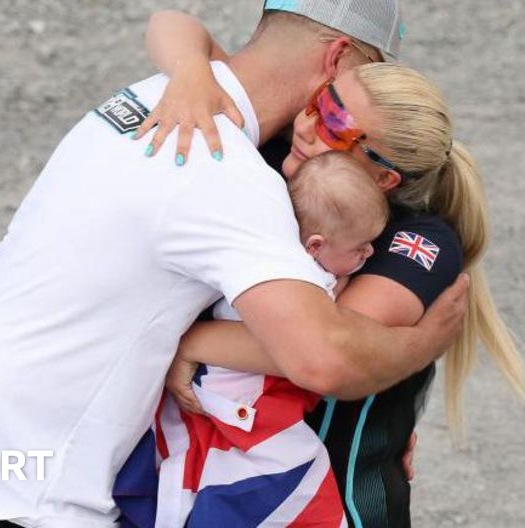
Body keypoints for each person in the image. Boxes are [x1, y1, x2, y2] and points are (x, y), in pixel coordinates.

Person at [0, 0, 469, 527]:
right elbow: (326, 360)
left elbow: (175, 26)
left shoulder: (155, 95)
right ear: (336, 59)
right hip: (32, 496)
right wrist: (424, 344)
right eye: (348, 91)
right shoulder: (230, 174)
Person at [136, 14, 525, 526]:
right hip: (222, 485)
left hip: (342, 497)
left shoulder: (418, 244)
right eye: (320, 101)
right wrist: (191, 73)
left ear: (385, 177)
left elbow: (316, 348)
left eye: (336, 127)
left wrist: (177, 343)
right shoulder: (290, 159)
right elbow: (172, 23)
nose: (305, 124)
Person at [150, 152, 388, 528]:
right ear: (314, 247)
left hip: (225, 399)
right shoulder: (301, 280)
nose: (370, 253)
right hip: (245, 405)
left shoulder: (264, 256)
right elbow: (318, 336)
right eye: (360, 247)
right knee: (294, 477)